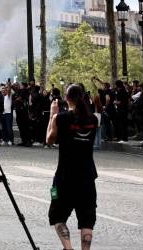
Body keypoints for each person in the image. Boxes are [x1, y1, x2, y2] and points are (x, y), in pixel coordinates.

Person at [46, 84, 98, 250]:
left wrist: (52, 115)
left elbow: (49, 140)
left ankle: (68, 248)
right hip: (87, 177)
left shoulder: (61, 118)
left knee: (56, 214)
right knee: (87, 219)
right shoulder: (93, 120)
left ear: (66, 98)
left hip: (64, 177)